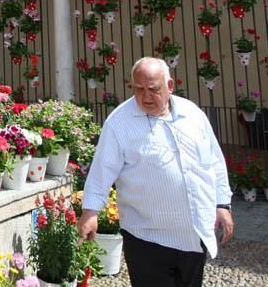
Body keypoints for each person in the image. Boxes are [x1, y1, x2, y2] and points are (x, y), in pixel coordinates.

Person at [78, 57, 233, 287]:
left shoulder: (193, 115)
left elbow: (214, 162)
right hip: (146, 237)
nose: (146, 96)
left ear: (169, 86)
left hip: (194, 233)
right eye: (139, 89)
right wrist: (90, 213)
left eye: (153, 89)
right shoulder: (119, 123)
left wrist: (222, 205)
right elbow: (102, 169)